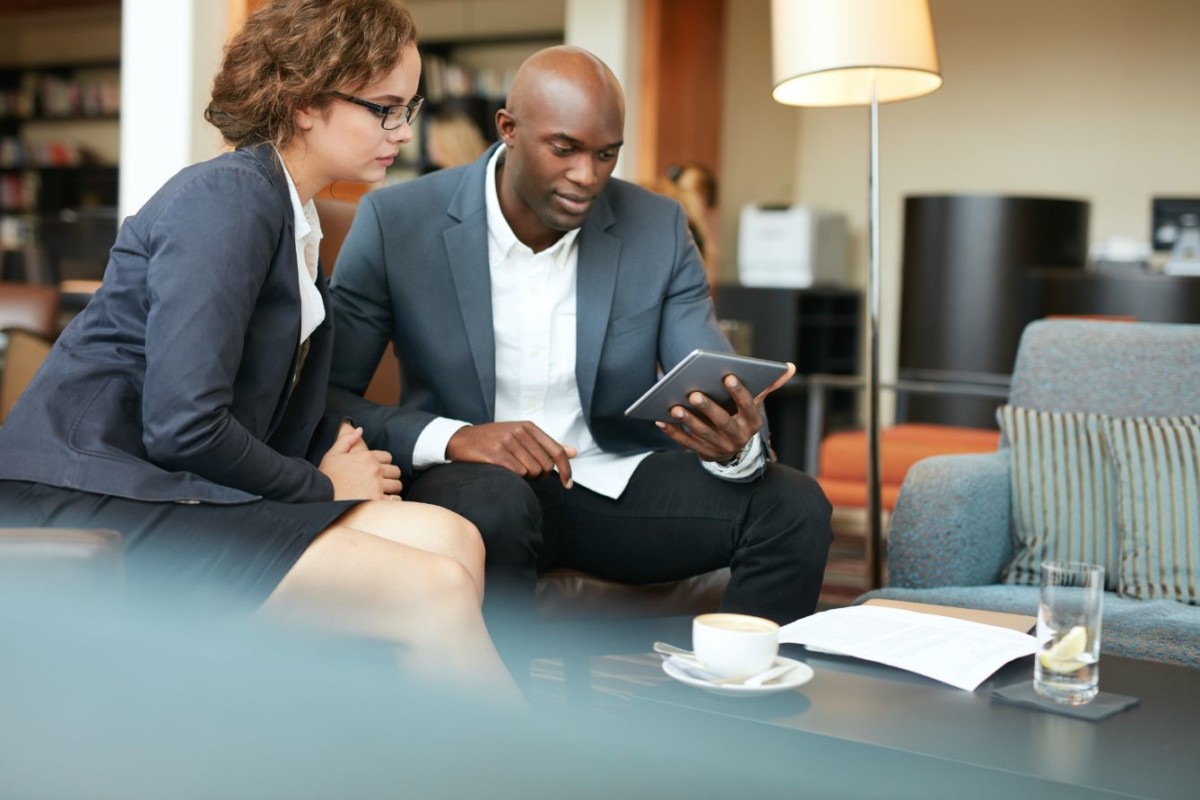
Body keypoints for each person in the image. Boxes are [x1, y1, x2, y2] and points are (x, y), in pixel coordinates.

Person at [0, 0, 514, 695]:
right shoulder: (230, 199)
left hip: (158, 486)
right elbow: (184, 424)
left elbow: (248, 408)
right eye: (384, 108)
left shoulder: (291, 215)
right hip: (84, 495)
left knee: (456, 538)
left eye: (408, 109)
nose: (401, 130)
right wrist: (323, 486)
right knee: (432, 588)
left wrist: (331, 459)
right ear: (305, 103)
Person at [327, 45, 833, 628]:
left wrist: (736, 444)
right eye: (564, 149)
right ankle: (498, 714)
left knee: (795, 506)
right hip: (472, 489)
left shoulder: (657, 228)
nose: (586, 176)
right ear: (509, 129)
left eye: (606, 154)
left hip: (614, 480)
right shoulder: (398, 221)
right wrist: (458, 437)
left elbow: (712, 369)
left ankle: (733, 706)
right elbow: (330, 396)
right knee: (496, 502)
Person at [424, 108, 488, 171]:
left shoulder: (452, 178)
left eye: (431, 139)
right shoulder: (479, 171)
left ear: (446, 144)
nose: (428, 145)